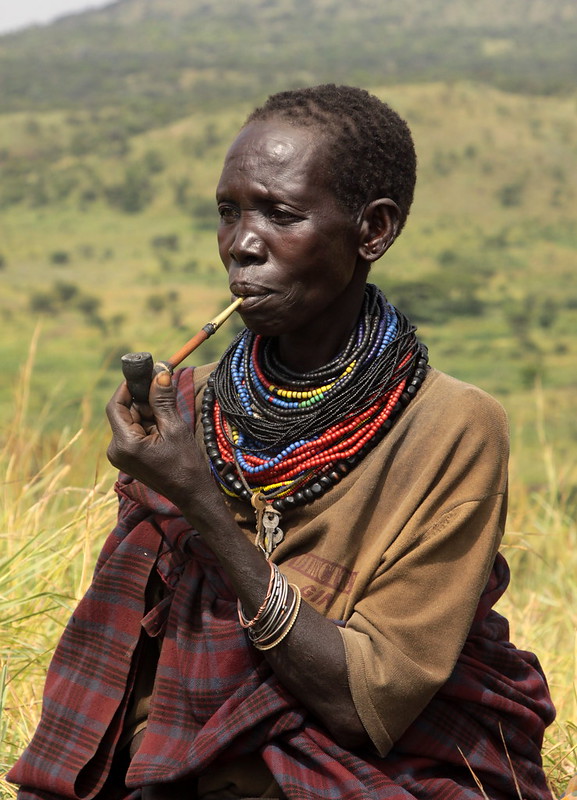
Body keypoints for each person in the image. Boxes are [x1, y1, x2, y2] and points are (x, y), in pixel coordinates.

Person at [8, 84, 555, 800]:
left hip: (367, 769)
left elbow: (365, 704)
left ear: (374, 231)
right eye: (228, 212)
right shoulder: (187, 405)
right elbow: (133, 681)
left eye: (279, 213)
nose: (241, 244)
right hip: (178, 767)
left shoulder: (452, 424)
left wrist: (200, 502)